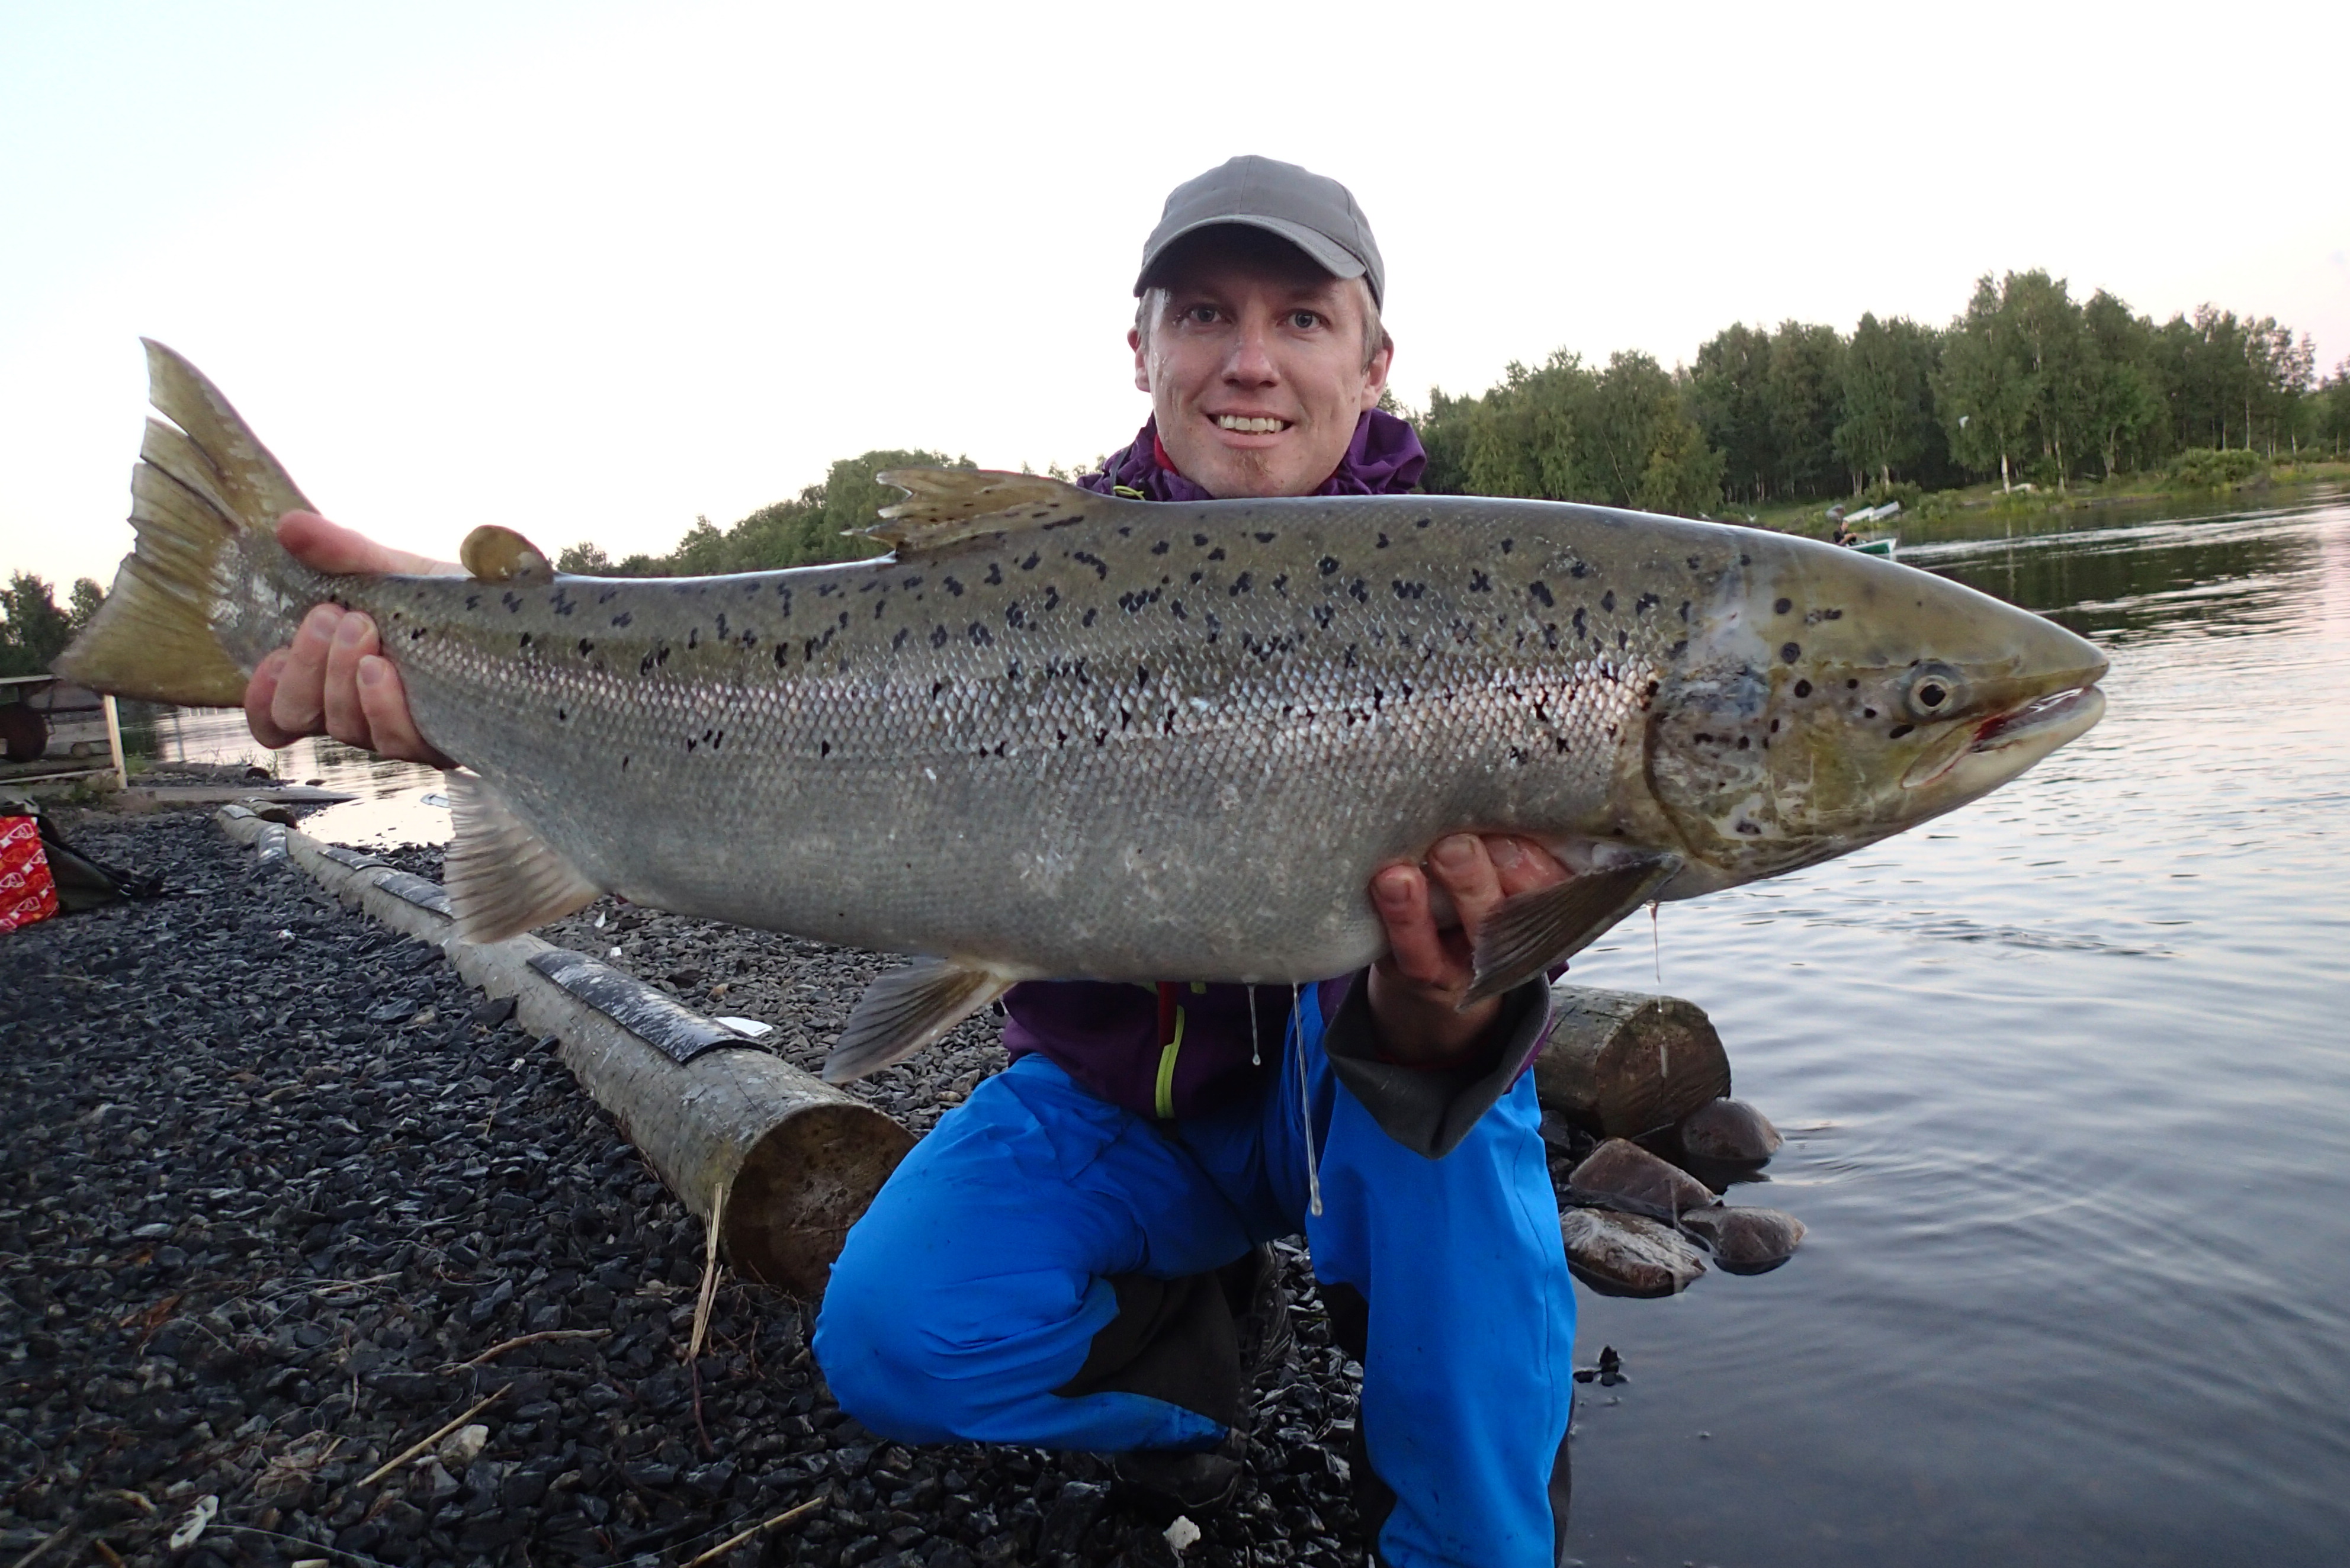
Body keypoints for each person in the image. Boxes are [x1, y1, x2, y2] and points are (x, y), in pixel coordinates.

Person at [244, 157, 1580, 1567]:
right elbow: (723, 693)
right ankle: (1199, 1369)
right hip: (1118, 1107)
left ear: (1374, 363)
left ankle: (1471, 1543)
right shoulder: (1030, 573)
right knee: (890, 1334)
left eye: (1301, 320)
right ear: (1140, 351)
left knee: (1463, 1133)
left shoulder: (1476, 587)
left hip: (1356, 1093)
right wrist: (454, 649)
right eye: (1202, 314)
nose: (1249, 361)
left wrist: (1448, 1010)